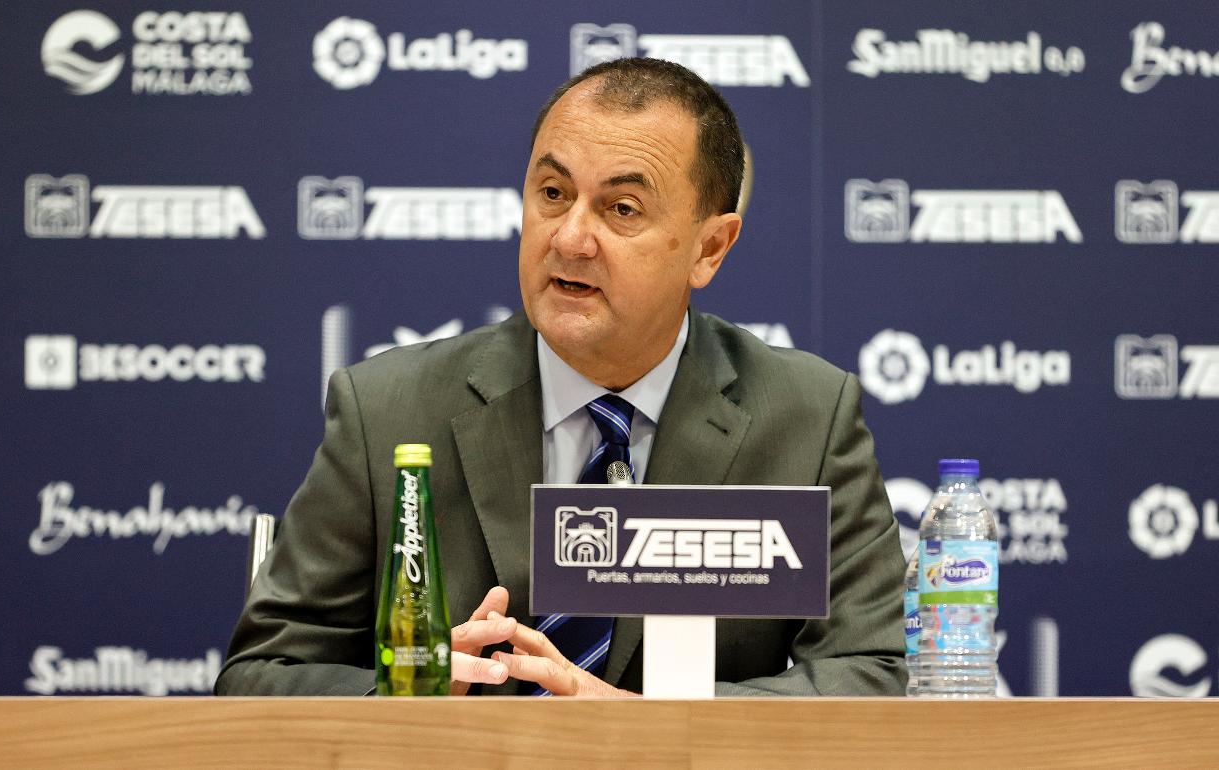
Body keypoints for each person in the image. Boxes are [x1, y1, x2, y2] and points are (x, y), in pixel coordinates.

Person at [217, 58, 906, 697]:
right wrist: (406, 695)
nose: (570, 238)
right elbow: (261, 675)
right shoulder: (387, 410)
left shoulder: (807, 421)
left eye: (622, 209)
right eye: (552, 193)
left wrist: (652, 726)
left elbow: (867, 674)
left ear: (710, 247)